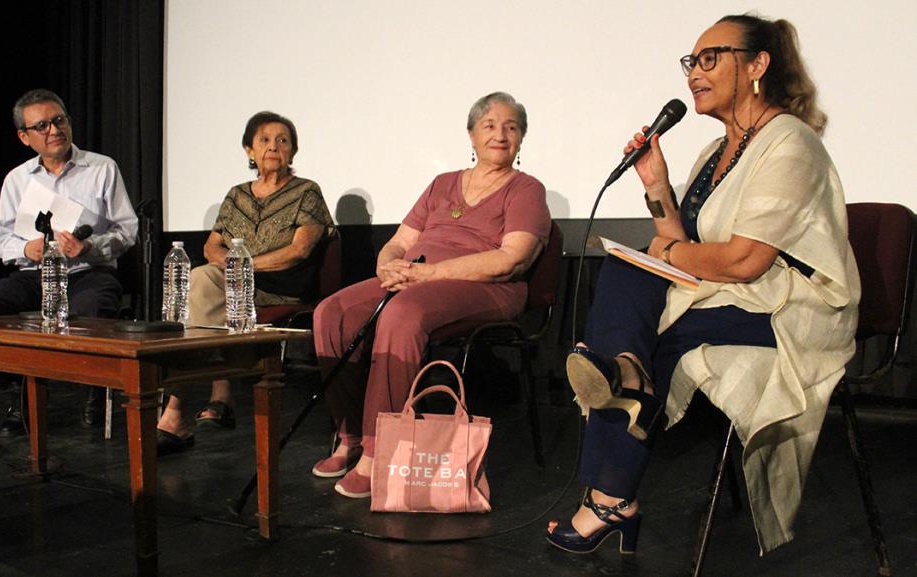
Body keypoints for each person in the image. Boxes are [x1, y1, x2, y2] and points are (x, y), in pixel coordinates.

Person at [547, 15, 860, 555]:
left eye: (710, 58)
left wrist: (667, 252)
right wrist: (656, 183)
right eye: (691, 62)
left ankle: (610, 493)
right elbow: (677, 239)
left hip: (787, 306)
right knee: (624, 269)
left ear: (757, 65)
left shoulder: (790, 142)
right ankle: (628, 377)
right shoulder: (714, 152)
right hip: (724, 295)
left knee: (661, 338)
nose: (694, 73)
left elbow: (743, 261)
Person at [311, 92, 552, 498]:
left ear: (522, 139)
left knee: (402, 314)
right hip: (420, 278)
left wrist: (432, 274)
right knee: (332, 313)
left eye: (512, 127)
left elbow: (511, 260)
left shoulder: (526, 189)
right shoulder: (442, 184)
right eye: (490, 125)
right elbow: (399, 242)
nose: (501, 134)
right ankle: (349, 433)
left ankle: (377, 450)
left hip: (488, 288)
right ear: (472, 135)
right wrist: (387, 265)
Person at [155, 111, 335, 455]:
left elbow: (300, 250)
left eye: (283, 141)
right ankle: (211, 399)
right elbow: (211, 246)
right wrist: (230, 265)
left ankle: (186, 407)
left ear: (293, 152)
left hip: (280, 286)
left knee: (210, 295)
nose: (274, 147)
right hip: (236, 285)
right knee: (201, 280)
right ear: (249, 151)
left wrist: (243, 267)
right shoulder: (237, 195)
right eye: (265, 140)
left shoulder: (306, 192)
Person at [0, 89, 139, 436]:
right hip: (34, 274)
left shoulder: (101, 168)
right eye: (41, 125)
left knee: (92, 309)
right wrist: (28, 250)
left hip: (87, 272)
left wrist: (88, 246)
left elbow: (127, 230)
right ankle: (19, 396)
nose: (53, 130)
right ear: (24, 137)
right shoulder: (17, 180)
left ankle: (94, 391)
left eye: (59, 120)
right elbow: (2, 242)